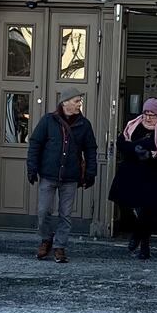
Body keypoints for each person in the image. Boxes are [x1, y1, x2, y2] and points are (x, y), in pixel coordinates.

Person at [25, 89, 97, 264]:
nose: (80, 104)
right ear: (65, 102)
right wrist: (32, 168)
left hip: (70, 177)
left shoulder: (84, 124)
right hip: (48, 175)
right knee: (43, 212)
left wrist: (90, 173)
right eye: (77, 101)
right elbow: (35, 144)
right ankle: (46, 239)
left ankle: (59, 247)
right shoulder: (48, 121)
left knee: (65, 214)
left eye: (80, 101)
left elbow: (90, 150)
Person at [108, 96, 157, 258]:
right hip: (130, 172)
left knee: (147, 212)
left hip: (151, 175)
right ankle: (136, 233)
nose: (148, 118)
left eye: (152, 115)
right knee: (125, 204)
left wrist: (150, 154)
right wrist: (135, 149)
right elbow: (121, 143)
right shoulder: (133, 125)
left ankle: (144, 245)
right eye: (146, 114)